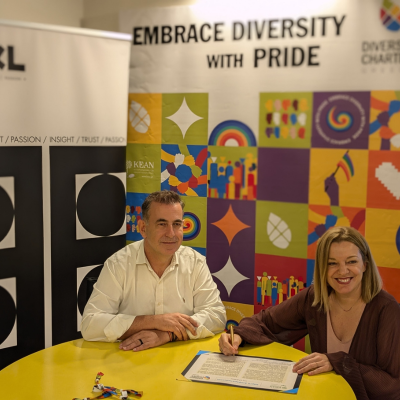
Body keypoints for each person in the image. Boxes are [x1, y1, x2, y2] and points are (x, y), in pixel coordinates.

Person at [219, 227, 400, 400]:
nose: (343, 271)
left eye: (351, 261)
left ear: (365, 265)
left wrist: (338, 363)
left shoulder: (387, 309)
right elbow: (265, 322)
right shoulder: (313, 299)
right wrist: (238, 335)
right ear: (322, 268)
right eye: (332, 263)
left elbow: (391, 386)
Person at [81, 190, 226, 351]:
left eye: (176, 224)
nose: (171, 233)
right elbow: (90, 325)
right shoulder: (118, 264)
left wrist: (167, 335)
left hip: (179, 361)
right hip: (127, 363)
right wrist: (154, 321)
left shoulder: (195, 262)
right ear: (143, 228)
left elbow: (216, 315)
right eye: (162, 224)